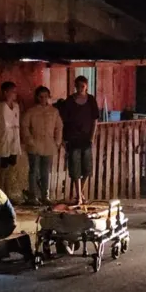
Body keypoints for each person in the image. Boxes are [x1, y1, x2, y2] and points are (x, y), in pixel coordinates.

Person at [60, 76, 99, 205]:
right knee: (75, 168)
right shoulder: (69, 101)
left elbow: (95, 120)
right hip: (72, 138)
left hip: (86, 138)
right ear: (75, 86)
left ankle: (79, 193)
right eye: (78, 86)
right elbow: (63, 121)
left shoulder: (91, 100)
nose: (81, 88)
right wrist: (64, 139)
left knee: (87, 169)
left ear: (86, 86)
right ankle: (80, 197)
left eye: (83, 86)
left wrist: (92, 137)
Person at [21, 86, 63, 206]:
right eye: (41, 96)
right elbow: (24, 126)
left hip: (49, 145)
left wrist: (57, 141)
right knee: (33, 170)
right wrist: (29, 140)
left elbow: (59, 127)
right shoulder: (31, 111)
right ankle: (33, 196)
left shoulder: (54, 111)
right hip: (35, 144)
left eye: (45, 96)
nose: (43, 99)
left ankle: (45, 196)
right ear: (37, 97)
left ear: (49, 97)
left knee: (45, 171)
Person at [0, 81, 22, 195]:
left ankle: (8, 191)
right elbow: (2, 125)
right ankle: (1, 193)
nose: (15, 94)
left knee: (11, 167)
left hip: (14, 140)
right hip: (4, 140)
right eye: (12, 92)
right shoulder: (1, 106)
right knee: (3, 168)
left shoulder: (16, 106)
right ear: (5, 93)